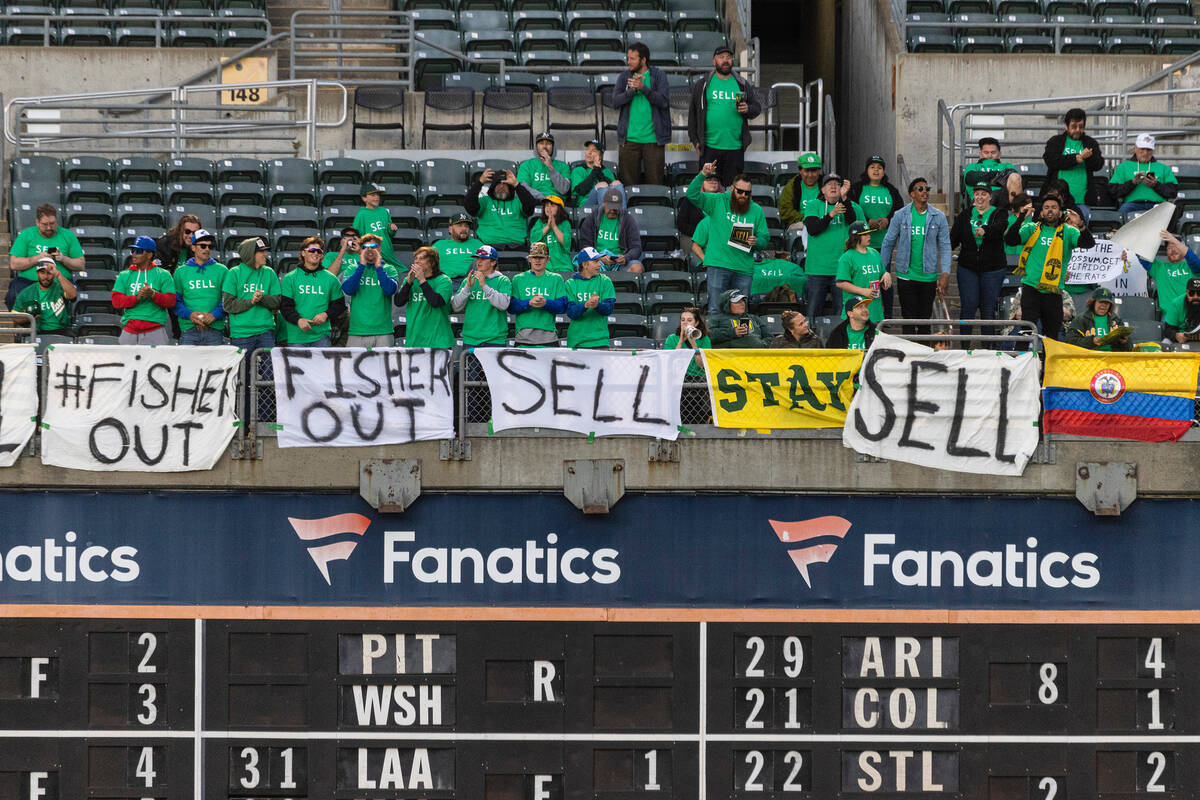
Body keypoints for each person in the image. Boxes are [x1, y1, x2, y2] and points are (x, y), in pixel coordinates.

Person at [1004, 193, 1095, 341]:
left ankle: (1048, 364)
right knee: (1026, 334)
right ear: (1041, 212)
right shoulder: (1031, 228)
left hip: (1053, 292)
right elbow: (1010, 240)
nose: (1050, 210)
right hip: (1031, 289)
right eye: (1046, 207)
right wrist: (1021, 217)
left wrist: (1081, 225)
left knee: (1051, 337)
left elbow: (1088, 244)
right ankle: (1024, 362)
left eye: (1054, 207)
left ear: (1060, 212)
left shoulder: (1069, 231)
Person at [687, 163, 769, 315]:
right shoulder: (717, 201)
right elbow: (691, 194)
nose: (743, 196)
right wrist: (703, 174)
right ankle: (715, 339)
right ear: (732, 189)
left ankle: (745, 338)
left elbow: (765, 238)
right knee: (715, 309)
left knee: (742, 313)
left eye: (747, 193)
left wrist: (757, 242)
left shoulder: (756, 210)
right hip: (719, 265)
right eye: (740, 191)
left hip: (744, 268)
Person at [881, 177, 951, 335]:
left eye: (927, 189)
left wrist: (945, 273)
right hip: (906, 276)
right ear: (912, 194)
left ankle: (923, 356)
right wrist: (882, 270)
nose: (925, 191)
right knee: (908, 320)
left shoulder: (938, 216)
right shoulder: (900, 215)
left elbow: (946, 246)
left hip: (928, 277)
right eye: (920, 189)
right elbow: (888, 242)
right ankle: (910, 356)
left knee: (925, 321)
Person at [687, 45, 761, 187]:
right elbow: (693, 115)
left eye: (728, 57)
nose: (725, 60)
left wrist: (748, 109)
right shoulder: (703, 85)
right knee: (708, 191)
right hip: (709, 147)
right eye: (721, 57)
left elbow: (756, 108)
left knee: (732, 192)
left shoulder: (741, 84)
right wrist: (695, 140)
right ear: (714, 61)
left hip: (735, 148)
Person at [950, 183, 1009, 334]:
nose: (980, 197)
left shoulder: (999, 213)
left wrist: (985, 230)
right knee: (968, 306)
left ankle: (987, 348)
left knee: (988, 308)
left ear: (990, 196)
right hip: (967, 268)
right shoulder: (965, 215)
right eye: (977, 194)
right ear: (973, 197)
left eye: (984, 194)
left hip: (993, 269)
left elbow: (1000, 228)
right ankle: (964, 347)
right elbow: (953, 239)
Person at [803, 174, 861, 321]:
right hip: (816, 270)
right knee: (812, 315)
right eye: (829, 184)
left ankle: (840, 342)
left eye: (837, 183)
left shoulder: (851, 206)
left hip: (842, 270)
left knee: (842, 315)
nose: (834, 186)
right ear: (822, 189)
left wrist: (845, 199)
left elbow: (853, 224)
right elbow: (813, 229)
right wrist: (831, 214)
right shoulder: (813, 205)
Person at [611, 42, 670, 186]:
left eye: (632, 59)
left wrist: (643, 88)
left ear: (643, 60)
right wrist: (632, 91)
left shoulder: (659, 75)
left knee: (655, 183)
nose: (628, 62)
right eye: (628, 58)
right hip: (629, 140)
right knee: (629, 185)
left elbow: (663, 102)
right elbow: (615, 102)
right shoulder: (624, 77)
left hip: (653, 140)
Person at [7, 203, 84, 312]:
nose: (49, 227)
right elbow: (14, 264)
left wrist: (63, 259)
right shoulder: (26, 235)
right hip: (29, 282)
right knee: (13, 293)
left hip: (59, 281)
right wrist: (37, 258)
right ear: (37, 222)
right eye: (45, 224)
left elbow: (81, 264)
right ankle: (23, 324)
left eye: (52, 224)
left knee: (76, 294)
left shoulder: (67, 236)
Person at [279, 237, 345, 348]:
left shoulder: (331, 279)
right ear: (303, 253)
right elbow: (285, 307)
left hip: (322, 335)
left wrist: (326, 314)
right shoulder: (290, 278)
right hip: (297, 336)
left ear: (322, 256)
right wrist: (298, 320)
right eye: (311, 250)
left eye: (319, 251)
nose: (315, 253)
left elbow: (339, 305)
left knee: (323, 366)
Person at [111, 236, 177, 345]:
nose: (134, 254)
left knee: (157, 362)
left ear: (150, 255)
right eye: (133, 250)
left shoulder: (163, 274)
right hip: (129, 330)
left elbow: (171, 301)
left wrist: (153, 294)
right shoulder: (124, 275)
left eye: (139, 251)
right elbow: (116, 301)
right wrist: (137, 297)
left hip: (155, 331)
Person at [222, 236, 283, 353]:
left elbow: (277, 301)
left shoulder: (269, 272)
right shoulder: (234, 273)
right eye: (261, 251)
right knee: (243, 371)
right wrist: (251, 301)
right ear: (250, 254)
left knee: (269, 370)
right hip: (241, 334)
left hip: (265, 331)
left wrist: (261, 298)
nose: (265, 254)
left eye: (265, 251)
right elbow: (228, 305)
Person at [1043, 108, 1103, 223]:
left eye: (1081, 126)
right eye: (1074, 126)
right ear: (1066, 126)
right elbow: (1050, 161)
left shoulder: (1090, 143)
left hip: (1082, 199)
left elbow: (1098, 165)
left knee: (1079, 233)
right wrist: (1076, 158)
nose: (1077, 130)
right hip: (1057, 201)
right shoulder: (1056, 141)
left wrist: (1088, 157)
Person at [341, 232, 399, 347]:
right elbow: (348, 290)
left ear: (379, 249)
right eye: (365, 247)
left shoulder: (389, 269)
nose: (369, 250)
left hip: (383, 331)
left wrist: (378, 267)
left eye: (373, 247)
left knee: (384, 365)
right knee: (354, 365)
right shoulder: (353, 268)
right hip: (357, 330)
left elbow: (389, 290)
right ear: (361, 250)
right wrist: (361, 266)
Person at [172, 229, 229, 345]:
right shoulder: (181, 272)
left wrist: (214, 315)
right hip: (189, 329)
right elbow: (176, 302)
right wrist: (190, 315)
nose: (207, 249)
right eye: (203, 246)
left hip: (215, 329)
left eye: (209, 246)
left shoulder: (222, 270)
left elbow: (227, 300)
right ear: (193, 248)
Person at [451, 245, 511, 347]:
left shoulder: (503, 280)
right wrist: (467, 288)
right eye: (477, 258)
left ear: (493, 262)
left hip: (494, 339)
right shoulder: (468, 281)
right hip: (470, 339)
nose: (478, 262)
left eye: (483, 259)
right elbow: (456, 307)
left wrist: (484, 286)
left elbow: (503, 305)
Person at [509, 242, 568, 346]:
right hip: (523, 337)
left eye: (541, 257)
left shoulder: (556, 279)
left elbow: (562, 306)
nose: (537, 260)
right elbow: (511, 307)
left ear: (548, 259)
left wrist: (545, 303)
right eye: (534, 257)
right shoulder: (518, 279)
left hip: (548, 337)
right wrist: (529, 303)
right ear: (529, 259)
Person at [394, 246, 454, 348]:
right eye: (416, 258)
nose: (417, 261)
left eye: (421, 258)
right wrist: (408, 283)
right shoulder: (410, 280)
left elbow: (436, 302)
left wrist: (422, 280)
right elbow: (398, 302)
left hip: (438, 341)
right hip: (415, 340)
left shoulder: (444, 280)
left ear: (432, 262)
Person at [464, 167, 537, 250]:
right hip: (488, 246)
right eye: (498, 183)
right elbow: (470, 207)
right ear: (493, 186)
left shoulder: (519, 201)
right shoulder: (485, 200)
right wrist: (480, 182)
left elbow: (530, 207)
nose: (502, 186)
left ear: (510, 187)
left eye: (505, 183)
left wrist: (517, 184)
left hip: (517, 246)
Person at [1139, 230, 1200, 327]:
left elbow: (1195, 261)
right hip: (1169, 318)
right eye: (1169, 248)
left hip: (1194, 316)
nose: (1173, 250)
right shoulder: (1159, 268)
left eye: (1176, 246)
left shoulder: (1191, 266)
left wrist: (1173, 239)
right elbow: (1141, 254)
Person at [577, 187, 644, 273]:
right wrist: (598, 257)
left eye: (615, 208)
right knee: (588, 267)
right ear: (603, 203)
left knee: (637, 268)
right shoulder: (592, 218)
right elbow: (584, 245)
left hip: (620, 263)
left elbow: (636, 248)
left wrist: (626, 258)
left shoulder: (628, 220)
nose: (612, 210)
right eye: (610, 207)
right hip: (597, 261)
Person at [1110, 133, 1179, 217]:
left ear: (1153, 150)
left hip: (1157, 206)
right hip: (1132, 205)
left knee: (1171, 212)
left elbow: (1173, 192)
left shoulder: (1163, 168)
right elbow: (1113, 192)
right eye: (1142, 149)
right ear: (1135, 148)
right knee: (1122, 212)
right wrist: (1132, 183)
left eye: (1148, 149)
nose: (1145, 153)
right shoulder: (1123, 167)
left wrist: (1156, 185)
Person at [835, 221, 889, 324]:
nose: (869, 236)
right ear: (855, 237)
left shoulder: (874, 253)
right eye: (864, 234)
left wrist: (886, 275)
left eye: (869, 233)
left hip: (875, 311)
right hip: (856, 313)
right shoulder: (847, 257)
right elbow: (840, 283)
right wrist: (863, 291)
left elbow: (882, 274)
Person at [564, 247, 616, 348]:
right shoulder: (570, 284)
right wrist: (586, 305)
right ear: (585, 264)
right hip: (577, 342)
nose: (600, 264)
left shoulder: (605, 281)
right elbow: (571, 313)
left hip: (600, 341)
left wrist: (597, 305)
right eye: (596, 261)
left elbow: (609, 309)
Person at [15, 256, 76, 334]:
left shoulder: (60, 287)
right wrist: (29, 317)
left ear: (53, 274)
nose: (46, 276)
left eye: (49, 273)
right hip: (37, 331)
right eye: (42, 272)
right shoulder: (26, 293)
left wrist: (58, 274)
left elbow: (73, 295)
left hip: (61, 330)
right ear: (37, 273)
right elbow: (15, 318)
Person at [1065, 287, 1132, 351]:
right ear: (1093, 302)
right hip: (1088, 359)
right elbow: (1071, 342)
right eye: (1101, 302)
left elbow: (1129, 348)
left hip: (1112, 359)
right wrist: (1092, 341)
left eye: (1107, 303)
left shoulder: (1116, 320)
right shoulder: (1081, 319)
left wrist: (1124, 342)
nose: (1104, 305)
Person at [353, 182, 399, 265]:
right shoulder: (361, 215)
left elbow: (390, 233)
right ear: (364, 198)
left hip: (388, 254)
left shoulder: (384, 211)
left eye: (378, 195)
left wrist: (392, 229)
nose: (377, 197)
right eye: (373, 195)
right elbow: (357, 237)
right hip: (372, 255)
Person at [516, 132, 571, 201]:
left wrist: (551, 167)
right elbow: (523, 188)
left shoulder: (563, 166)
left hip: (556, 202)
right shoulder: (526, 165)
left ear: (553, 147)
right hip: (534, 200)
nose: (544, 146)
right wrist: (542, 197)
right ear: (536, 147)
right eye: (541, 143)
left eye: (548, 143)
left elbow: (564, 189)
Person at [962, 137, 1018, 205]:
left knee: (1015, 177)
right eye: (986, 152)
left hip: (1004, 198)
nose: (989, 156)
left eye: (993, 152)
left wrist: (986, 179)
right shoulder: (973, 167)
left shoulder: (1007, 166)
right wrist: (998, 177)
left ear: (999, 154)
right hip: (981, 199)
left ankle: (1017, 212)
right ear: (980, 154)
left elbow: (1014, 180)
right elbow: (971, 179)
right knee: (986, 195)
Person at [778, 151, 824, 232]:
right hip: (799, 224)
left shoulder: (826, 185)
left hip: (823, 222)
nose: (810, 175)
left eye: (813, 170)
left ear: (819, 171)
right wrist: (807, 218)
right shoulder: (792, 186)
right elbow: (785, 211)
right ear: (800, 170)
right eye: (807, 170)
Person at [528, 195, 573, 273]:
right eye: (546, 206)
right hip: (545, 267)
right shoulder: (539, 223)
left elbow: (566, 243)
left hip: (563, 265)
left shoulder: (565, 224)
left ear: (559, 208)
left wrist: (554, 226)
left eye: (552, 205)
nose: (548, 208)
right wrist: (548, 226)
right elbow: (533, 240)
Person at [570, 139, 621, 208]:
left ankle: (622, 215)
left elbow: (613, 192)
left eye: (594, 151)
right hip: (587, 203)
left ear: (601, 156)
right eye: (588, 149)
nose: (589, 153)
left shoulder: (607, 171)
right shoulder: (578, 170)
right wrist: (595, 171)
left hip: (608, 203)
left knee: (617, 183)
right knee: (602, 185)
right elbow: (581, 191)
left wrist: (598, 171)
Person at [433, 213, 484, 280]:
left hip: (472, 280)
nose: (464, 229)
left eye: (466, 226)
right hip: (448, 281)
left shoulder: (477, 244)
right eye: (460, 225)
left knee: (479, 261)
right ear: (450, 229)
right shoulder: (439, 245)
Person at [663, 306, 711, 377]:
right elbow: (670, 363)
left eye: (689, 320)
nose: (685, 323)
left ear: (696, 323)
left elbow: (702, 365)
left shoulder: (704, 339)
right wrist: (681, 340)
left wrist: (694, 345)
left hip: (698, 378)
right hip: (677, 377)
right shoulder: (671, 338)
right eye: (683, 320)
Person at [678, 172, 722, 238]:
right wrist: (701, 233)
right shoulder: (690, 200)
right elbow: (681, 224)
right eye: (709, 180)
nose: (713, 182)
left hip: (717, 238)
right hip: (693, 237)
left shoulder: (723, 200)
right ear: (701, 183)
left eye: (716, 180)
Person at [1164, 277, 1200, 344]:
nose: (1195, 297)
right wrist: (1175, 335)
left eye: (1199, 293)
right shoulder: (1176, 304)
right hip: (1180, 340)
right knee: (1165, 343)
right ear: (1187, 292)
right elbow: (1167, 330)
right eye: (1191, 293)